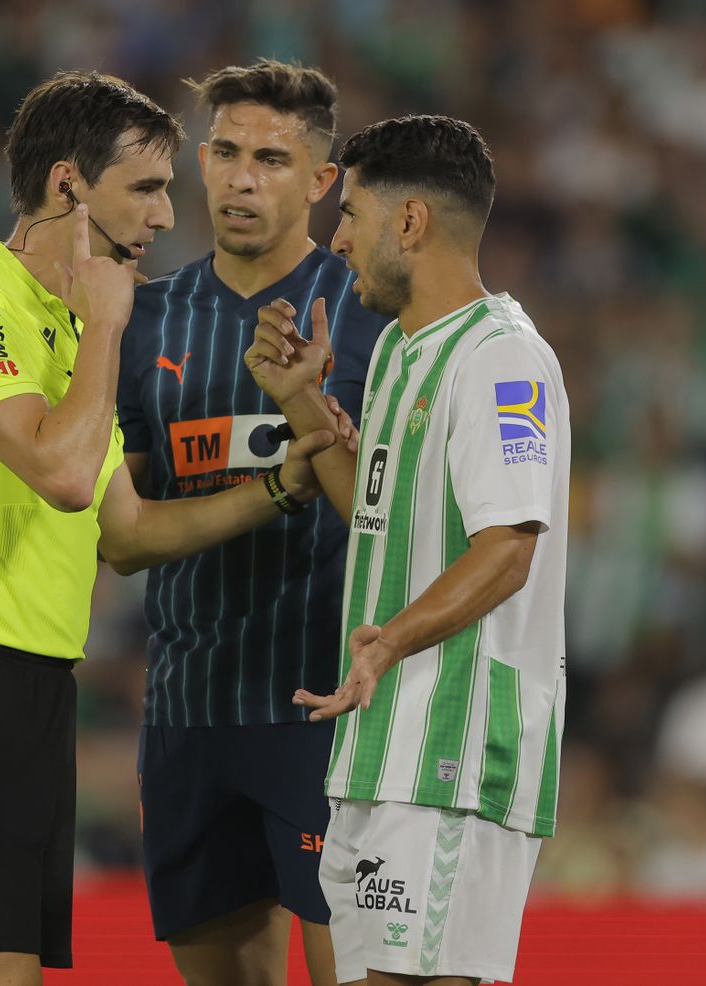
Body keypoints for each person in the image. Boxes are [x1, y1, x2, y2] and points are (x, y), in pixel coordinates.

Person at [0, 70, 338, 986]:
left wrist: (279, 490)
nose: (169, 215)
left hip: (32, 682)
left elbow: (127, 531)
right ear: (68, 187)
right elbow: (66, 475)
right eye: (147, 189)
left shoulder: (65, 326)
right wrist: (111, 326)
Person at [244, 115, 570, 986]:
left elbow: (507, 549)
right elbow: (379, 517)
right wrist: (306, 406)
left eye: (351, 213)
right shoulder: (395, 350)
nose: (336, 237)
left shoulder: (503, 361)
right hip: (380, 746)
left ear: (412, 223)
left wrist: (387, 641)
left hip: (455, 748)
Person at [116, 59, 387, 986]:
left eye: (271, 159)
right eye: (226, 151)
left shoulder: (372, 315)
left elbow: (396, 525)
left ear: (321, 183)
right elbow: (118, 538)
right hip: (190, 713)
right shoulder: (148, 319)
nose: (240, 176)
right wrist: (279, 486)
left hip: (324, 712)